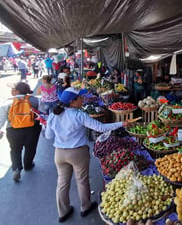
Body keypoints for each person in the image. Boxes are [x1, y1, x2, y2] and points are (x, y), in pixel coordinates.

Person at [45, 88, 129, 222]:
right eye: (80, 98)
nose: (82, 99)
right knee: (82, 180)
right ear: (72, 102)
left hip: (59, 153)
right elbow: (100, 128)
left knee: (62, 183)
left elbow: (48, 136)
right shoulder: (79, 115)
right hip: (78, 152)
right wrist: (121, 123)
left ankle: (63, 212)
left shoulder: (53, 115)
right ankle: (85, 207)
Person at [0, 82, 41, 182]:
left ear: (17, 91)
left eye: (13, 89)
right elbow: (42, 115)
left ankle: (17, 168)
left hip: (13, 130)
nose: (11, 90)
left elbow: (1, 120)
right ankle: (28, 165)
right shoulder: (35, 100)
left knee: (15, 149)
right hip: (32, 129)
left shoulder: (7, 102)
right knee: (30, 148)